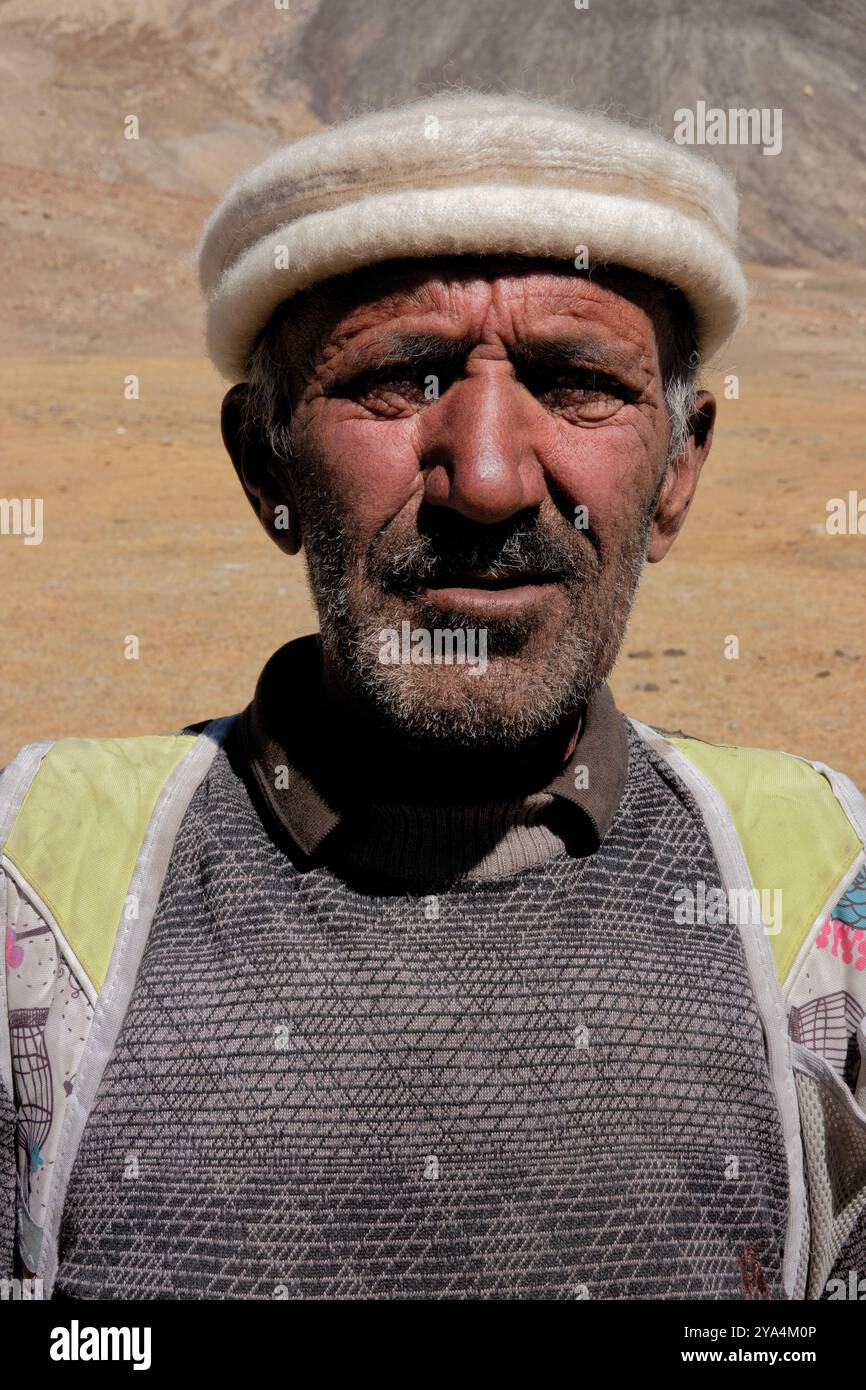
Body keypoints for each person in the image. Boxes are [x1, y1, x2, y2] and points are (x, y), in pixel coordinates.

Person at [2, 92, 864, 1301]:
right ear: (265, 466)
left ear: (675, 471)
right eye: (402, 379)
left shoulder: (820, 896)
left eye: (575, 382)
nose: (492, 478)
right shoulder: (38, 893)